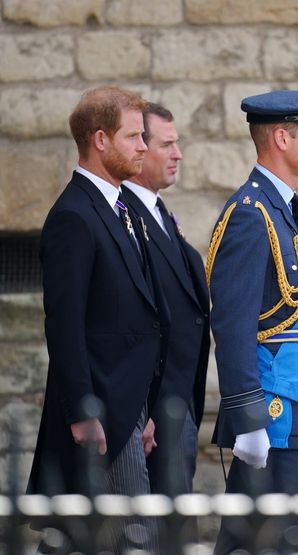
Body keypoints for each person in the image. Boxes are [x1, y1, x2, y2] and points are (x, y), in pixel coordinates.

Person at [207, 89, 298, 554]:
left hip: (294, 414)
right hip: (271, 419)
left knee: (253, 541)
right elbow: (232, 325)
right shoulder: (250, 216)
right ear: (282, 138)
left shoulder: (284, 210)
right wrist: (248, 419)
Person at [27, 86, 170, 555]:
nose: (144, 147)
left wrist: (144, 410)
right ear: (100, 139)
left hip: (129, 407)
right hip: (103, 410)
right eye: (134, 137)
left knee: (99, 538)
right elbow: (64, 326)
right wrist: (84, 411)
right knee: (131, 538)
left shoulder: (117, 208)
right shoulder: (74, 215)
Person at [122, 103, 210, 496]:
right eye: (167, 144)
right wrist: (146, 408)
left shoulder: (158, 212)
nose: (178, 154)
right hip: (156, 409)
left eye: (178, 144)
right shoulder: (124, 216)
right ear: (139, 149)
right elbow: (130, 320)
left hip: (178, 398)